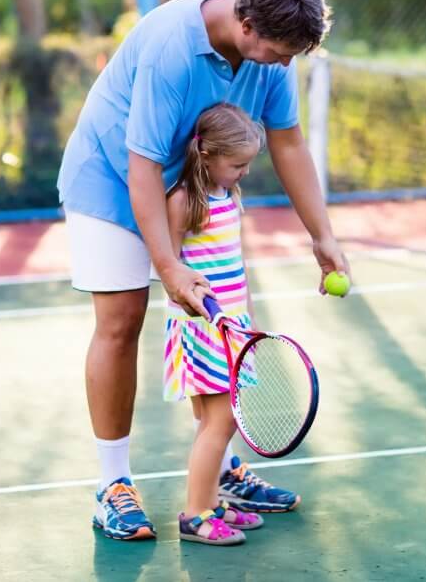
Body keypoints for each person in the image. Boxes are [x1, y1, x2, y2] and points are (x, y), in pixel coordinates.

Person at [56, 0, 351, 541]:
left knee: (214, 330)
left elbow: (287, 140)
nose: (284, 64)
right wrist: (168, 266)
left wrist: (323, 234)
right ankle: (114, 485)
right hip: (112, 185)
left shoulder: (270, 52)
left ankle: (220, 469)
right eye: (279, 52)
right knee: (121, 322)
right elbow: (141, 165)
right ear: (245, 24)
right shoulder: (172, 45)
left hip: (190, 191)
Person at [165, 103, 271, 545]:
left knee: (212, 420)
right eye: (238, 164)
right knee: (221, 423)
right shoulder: (184, 199)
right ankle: (195, 514)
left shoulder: (228, 195)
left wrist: (240, 317)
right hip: (202, 330)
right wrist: (206, 311)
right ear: (207, 156)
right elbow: (170, 264)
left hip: (230, 326)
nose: (244, 172)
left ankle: (211, 500)